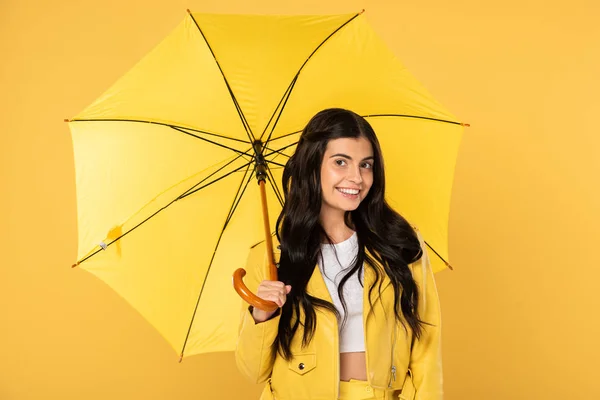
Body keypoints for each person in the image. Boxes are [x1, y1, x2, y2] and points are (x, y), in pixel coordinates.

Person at [235, 108, 442, 400]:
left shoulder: (400, 244)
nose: (356, 178)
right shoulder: (271, 257)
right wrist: (262, 313)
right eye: (341, 162)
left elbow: (427, 351)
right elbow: (253, 370)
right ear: (312, 165)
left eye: (366, 165)